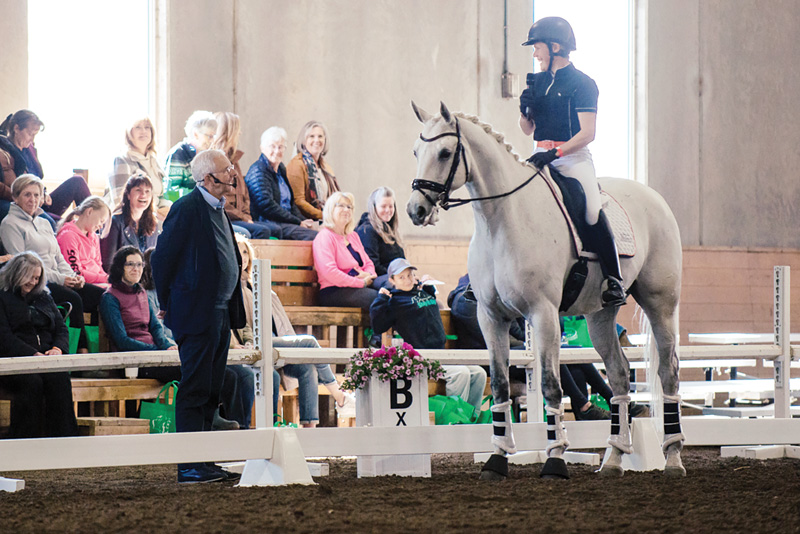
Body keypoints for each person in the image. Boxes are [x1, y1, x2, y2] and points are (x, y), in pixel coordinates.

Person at [151, 148, 246, 484]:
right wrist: (167, 302)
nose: (233, 173)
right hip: (196, 314)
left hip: (218, 313)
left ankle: (203, 460)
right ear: (208, 178)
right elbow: (162, 259)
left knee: (211, 388)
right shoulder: (187, 208)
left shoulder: (220, 210)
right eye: (226, 169)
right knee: (194, 388)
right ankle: (189, 464)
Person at [519, 17, 626, 308]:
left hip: (573, 159)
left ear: (555, 47)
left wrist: (555, 154)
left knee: (591, 207)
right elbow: (527, 129)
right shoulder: (537, 82)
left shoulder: (582, 83)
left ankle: (613, 278)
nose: (535, 54)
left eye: (537, 48)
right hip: (540, 156)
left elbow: (588, 133)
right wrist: (525, 110)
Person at [0, 175, 104, 353]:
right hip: (35, 281)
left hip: (60, 277)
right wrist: (62, 279)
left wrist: (73, 276)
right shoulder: (9, 224)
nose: (32, 200)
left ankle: (102, 350)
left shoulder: (44, 222)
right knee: (74, 299)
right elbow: (21, 265)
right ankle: (81, 351)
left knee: (102, 296)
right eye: (27, 195)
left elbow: (58, 257)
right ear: (16, 197)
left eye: (36, 195)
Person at [371, 258, 486, 417]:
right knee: (461, 374)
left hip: (440, 353)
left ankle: (472, 416)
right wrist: (381, 299)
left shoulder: (421, 291)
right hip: (422, 357)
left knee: (479, 373)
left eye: (410, 275)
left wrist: (429, 286)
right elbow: (378, 326)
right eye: (401, 277)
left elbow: (430, 307)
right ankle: (455, 418)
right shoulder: (395, 301)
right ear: (392, 280)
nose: (407, 280)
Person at [0, 252, 78, 438]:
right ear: (17, 274)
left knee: (59, 379)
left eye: (37, 278)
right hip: (15, 360)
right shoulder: (3, 298)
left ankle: (64, 438)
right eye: (29, 277)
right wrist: (32, 354)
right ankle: (25, 438)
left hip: (46, 359)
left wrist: (57, 349)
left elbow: (61, 329)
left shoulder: (44, 297)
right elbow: (4, 337)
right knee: (31, 382)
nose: (33, 282)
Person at [99, 246, 179, 382]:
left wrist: (167, 345)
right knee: (187, 372)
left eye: (139, 264)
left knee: (198, 366)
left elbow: (155, 326)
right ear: (120, 267)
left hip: (153, 355)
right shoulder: (110, 297)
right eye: (130, 264)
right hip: (132, 360)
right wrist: (155, 350)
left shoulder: (142, 292)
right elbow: (121, 340)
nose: (136, 269)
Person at [0, 110, 91, 222]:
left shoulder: (30, 149)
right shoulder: (5, 151)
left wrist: (44, 192)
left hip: (41, 200)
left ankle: (98, 224)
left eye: (35, 135)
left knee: (77, 182)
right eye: (30, 134)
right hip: (28, 204)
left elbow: (37, 177)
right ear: (16, 128)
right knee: (65, 224)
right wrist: (32, 196)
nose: (32, 139)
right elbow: (14, 187)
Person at [244, 127, 317, 241]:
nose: (277, 151)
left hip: (286, 222)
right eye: (272, 146)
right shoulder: (258, 170)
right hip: (270, 222)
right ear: (262, 148)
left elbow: (291, 204)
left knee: (321, 231)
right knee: (315, 237)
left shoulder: (281, 169)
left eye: (281, 147)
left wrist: (302, 221)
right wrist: (297, 222)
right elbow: (267, 206)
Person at [210, 112, 272, 239]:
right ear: (229, 132)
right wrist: (243, 217)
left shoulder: (234, 160)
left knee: (274, 229)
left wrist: (246, 215)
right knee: (261, 231)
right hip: (224, 217)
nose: (240, 133)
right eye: (238, 130)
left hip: (239, 217)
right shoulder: (215, 161)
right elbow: (218, 198)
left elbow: (244, 195)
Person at [313, 192, 377, 310]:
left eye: (349, 207)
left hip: (360, 284)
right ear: (330, 209)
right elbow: (330, 272)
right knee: (378, 298)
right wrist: (360, 282)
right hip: (333, 290)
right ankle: (375, 329)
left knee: (391, 289)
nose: (346, 210)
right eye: (341, 206)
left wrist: (369, 275)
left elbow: (368, 263)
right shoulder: (324, 237)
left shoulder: (353, 236)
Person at [107, 116, 171, 218]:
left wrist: (169, 209)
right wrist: (156, 215)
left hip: (156, 216)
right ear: (129, 133)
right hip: (133, 219)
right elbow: (119, 201)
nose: (143, 131)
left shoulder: (154, 161)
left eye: (147, 127)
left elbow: (160, 196)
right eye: (138, 127)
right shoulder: (122, 160)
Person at [100, 174, 159, 272]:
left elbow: (152, 262)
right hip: (122, 280)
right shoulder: (115, 221)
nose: (143, 195)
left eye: (147, 191)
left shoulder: (154, 223)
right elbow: (108, 264)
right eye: (138, 190)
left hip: (145, 282)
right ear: (128, 195)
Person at [286, 121, 340, 220]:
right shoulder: (297, 165)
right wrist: (324, 216)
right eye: (311, 136)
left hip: (327, 218)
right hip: (306, 221)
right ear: (303, 140)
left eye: (320, 136)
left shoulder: (325, 166)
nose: (317, 140)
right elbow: (298, 201)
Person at [355, 187, 405, 288]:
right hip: (377, 278)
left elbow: (402, 261)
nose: (388, 210)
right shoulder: (366, 230)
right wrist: (400, 277)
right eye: (383, 206)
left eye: (391, 206)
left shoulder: (390, 229)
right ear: (374, 207)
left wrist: (410, 275)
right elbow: (374, 266)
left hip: (396, 277)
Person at [56, 196, 111, 289]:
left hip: (98, 282)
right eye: (101, 221)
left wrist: (108, 278)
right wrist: (105, 279)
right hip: (81, 283)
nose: (101, 226)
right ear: (89, 212)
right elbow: (76, 272)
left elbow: (98, 265)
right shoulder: (68, 236)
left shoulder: (94, 236)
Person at [163, 111, 217, 202]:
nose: (212, 141)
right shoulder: (178, 154)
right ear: (195, 134)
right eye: (209, 136)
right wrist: (203, 194)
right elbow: (170, 192)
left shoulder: (206, 156)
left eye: (213, 136)